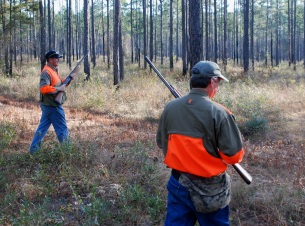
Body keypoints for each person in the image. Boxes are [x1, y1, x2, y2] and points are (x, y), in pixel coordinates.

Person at [156, 61, 245, 225]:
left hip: (178, 183)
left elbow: (161, 143)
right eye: (218, 82)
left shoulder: (171, 108)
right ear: (212, 81)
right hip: (210, 190)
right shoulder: (220, 112)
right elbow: (233, 156)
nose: (217, 87)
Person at [29, 50, 74, 154]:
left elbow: (58, 84)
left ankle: (33, 150)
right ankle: (67, 153)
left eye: (58, 58)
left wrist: (68, 80)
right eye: (56, 58)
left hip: (48, 105)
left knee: (42, 128)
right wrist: (58, 89)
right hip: (53, 105)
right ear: (50, 60)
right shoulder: (46, 72)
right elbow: (44, 88)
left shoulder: (52, 70)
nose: (58, 60)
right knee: (62, 129)